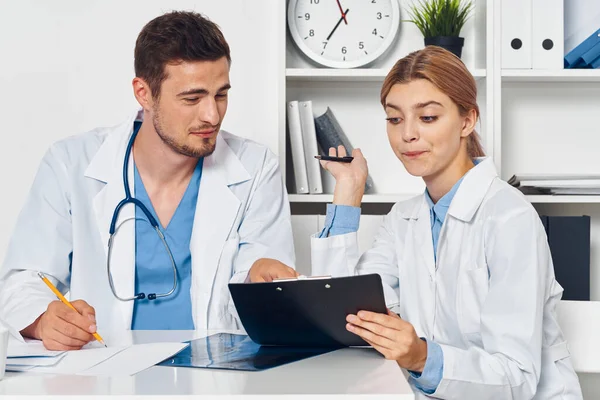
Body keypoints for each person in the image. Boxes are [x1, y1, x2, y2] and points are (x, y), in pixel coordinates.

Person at [262, 46, 583, 399]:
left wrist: (422, 357)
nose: (407, 135)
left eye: (427, 117)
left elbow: (516, 377)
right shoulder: (404, 217)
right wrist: (348, 191)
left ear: (467, 120)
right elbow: (344, 316)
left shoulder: (510, 218)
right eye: (395, 119)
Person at [0, 11, 298, 351]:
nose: (211, 115)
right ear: (144, 93)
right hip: (107, 370)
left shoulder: (255, 167)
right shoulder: (70, 163)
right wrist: (44, 319)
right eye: (192, 98)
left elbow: (262, 276)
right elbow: (22, 282)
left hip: (216, 369)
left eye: (221, 94)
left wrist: (258, 277)